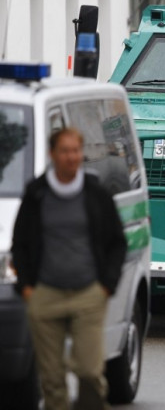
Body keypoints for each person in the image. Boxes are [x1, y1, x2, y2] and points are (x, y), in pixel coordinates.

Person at [11, 128, 127, 410]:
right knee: (52, 380)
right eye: (64, 151)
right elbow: (21, 242)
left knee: (88, 371)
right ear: (53, 155)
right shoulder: (37, 193)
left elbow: (116, 243)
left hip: (88, 294)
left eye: (75, 151)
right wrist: (27, 288)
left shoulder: (95, 194)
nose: (71, 157)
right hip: (45, 295)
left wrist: (106, 286)